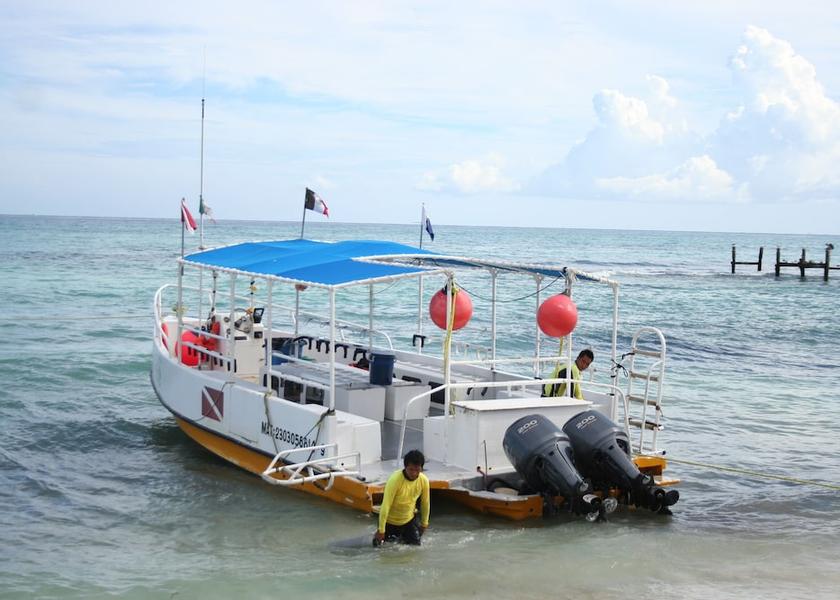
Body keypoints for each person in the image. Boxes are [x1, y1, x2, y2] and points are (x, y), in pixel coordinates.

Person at [374, 449, 430, 546]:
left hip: (408, 521)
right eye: (411, 469)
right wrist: (381, 530)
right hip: (390, 522)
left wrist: (424, 523)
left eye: (417, 470)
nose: (414, 473)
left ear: (421, 469)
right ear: (405, 467)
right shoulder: (395, 480)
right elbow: (385, 505)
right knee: (378, 548)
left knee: (416, 548)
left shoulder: (423, 481)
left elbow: (425, 503)